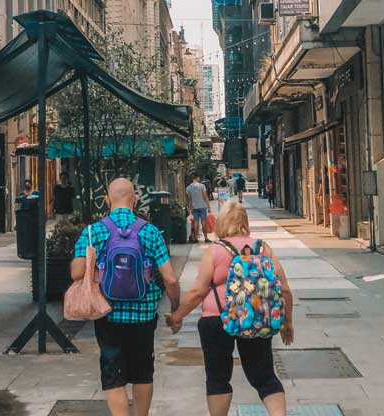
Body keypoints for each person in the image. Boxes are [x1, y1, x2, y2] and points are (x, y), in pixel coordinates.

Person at [167, 202, 292, 416]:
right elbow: (285, 290)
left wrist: (177, 315)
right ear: (245, 222)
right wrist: (287, 322)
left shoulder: (215, 251)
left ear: (222, 223)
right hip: (255, 318)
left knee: (218, 378)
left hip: (216, 319)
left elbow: (198, 291)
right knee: (264, 377)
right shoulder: (263, 248)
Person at [71, 178, 181, 416]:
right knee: (143, 371)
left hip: (107, 314)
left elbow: (77, 273)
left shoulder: (93, 231)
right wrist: (176, 309)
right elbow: (171, 279)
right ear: (135, 200)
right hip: (143, 315)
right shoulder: (150, 231)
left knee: (113, 374)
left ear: (107, 200)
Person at [186, 173, 210, 242]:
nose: (199, 179)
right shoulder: (202, 186)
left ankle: (195, 238)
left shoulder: (188, 188)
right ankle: (206, 238)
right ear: (196, 178)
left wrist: (189, 208)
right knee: (203, 222)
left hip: (194, 207)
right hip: (202, 206)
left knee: (196, 222)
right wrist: (209, 207)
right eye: (199, 177)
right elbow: (205, 197)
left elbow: (189, 200)